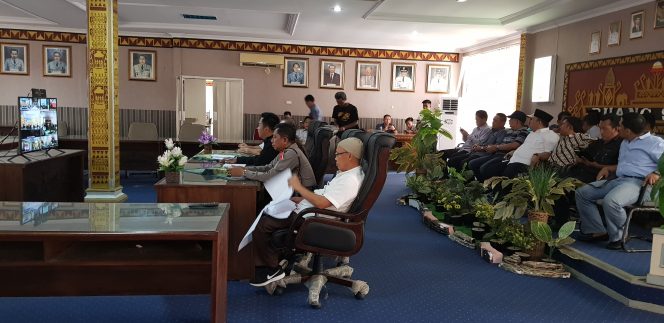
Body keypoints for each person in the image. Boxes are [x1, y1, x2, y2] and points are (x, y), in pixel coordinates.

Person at [249, 137, 365, 287]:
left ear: (349, 155)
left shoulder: (350, 180)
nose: (334, 159)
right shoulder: (348, 174)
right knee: (269, 212)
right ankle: (273, 260)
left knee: (264, 224)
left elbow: (322, 203)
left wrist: (299, 188)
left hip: (314, 220)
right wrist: (302, 199)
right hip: (311, 213)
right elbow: (324, 195)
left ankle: (270, 269)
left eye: (337, 154)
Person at [575, 112, 664, 250]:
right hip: (619, 179)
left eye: (621, 126)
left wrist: (656, 173)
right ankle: (597, 230)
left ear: (628, 131)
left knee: (611, 201)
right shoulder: (625, 142)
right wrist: (608, 169)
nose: (618, 128)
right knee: (583, 193)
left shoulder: (655, 143)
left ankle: (619, 236)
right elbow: (627, 166)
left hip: (640, 184)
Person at [230, 123, 316, 187]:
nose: (272, 141)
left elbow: (270, 176)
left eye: (275, 137)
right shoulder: (285, 151)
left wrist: (244, 172)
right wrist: (244, 168)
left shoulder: (291, 153)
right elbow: (269, 167)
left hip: (304, 194)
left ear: (285, 140)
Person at [469, 111, 529, 181]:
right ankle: (481, 184)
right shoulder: (509, 131)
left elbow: (515, 145)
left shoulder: (523, 132)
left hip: (505, 156)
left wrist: (497, 147)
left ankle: (488, 185)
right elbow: (498, 142)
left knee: (484, 168)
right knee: (472, 163)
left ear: (517, 121)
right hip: (496, 153)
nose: (509, 121)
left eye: (511, 119)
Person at [501, 109, 559, 178]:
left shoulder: (550, 135)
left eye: (531, 119)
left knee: (501, 179)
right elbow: (526, 147)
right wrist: (514, 151)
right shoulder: (532, 133)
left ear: (539, 122)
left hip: (523, 166)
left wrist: (538, 155)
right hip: (512, 161)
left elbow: (549, 154)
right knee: (493, 168)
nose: (529, 121)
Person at [564, 114, 622, 183]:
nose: (601, 132)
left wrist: (598, 166)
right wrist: (580, 159)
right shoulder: (598, 142)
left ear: (616, 129)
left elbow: (621, 167)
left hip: (596, 177)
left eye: (605, 129)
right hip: (580, 171)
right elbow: (585, 154)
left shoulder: (621, 145)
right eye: (600, 128)